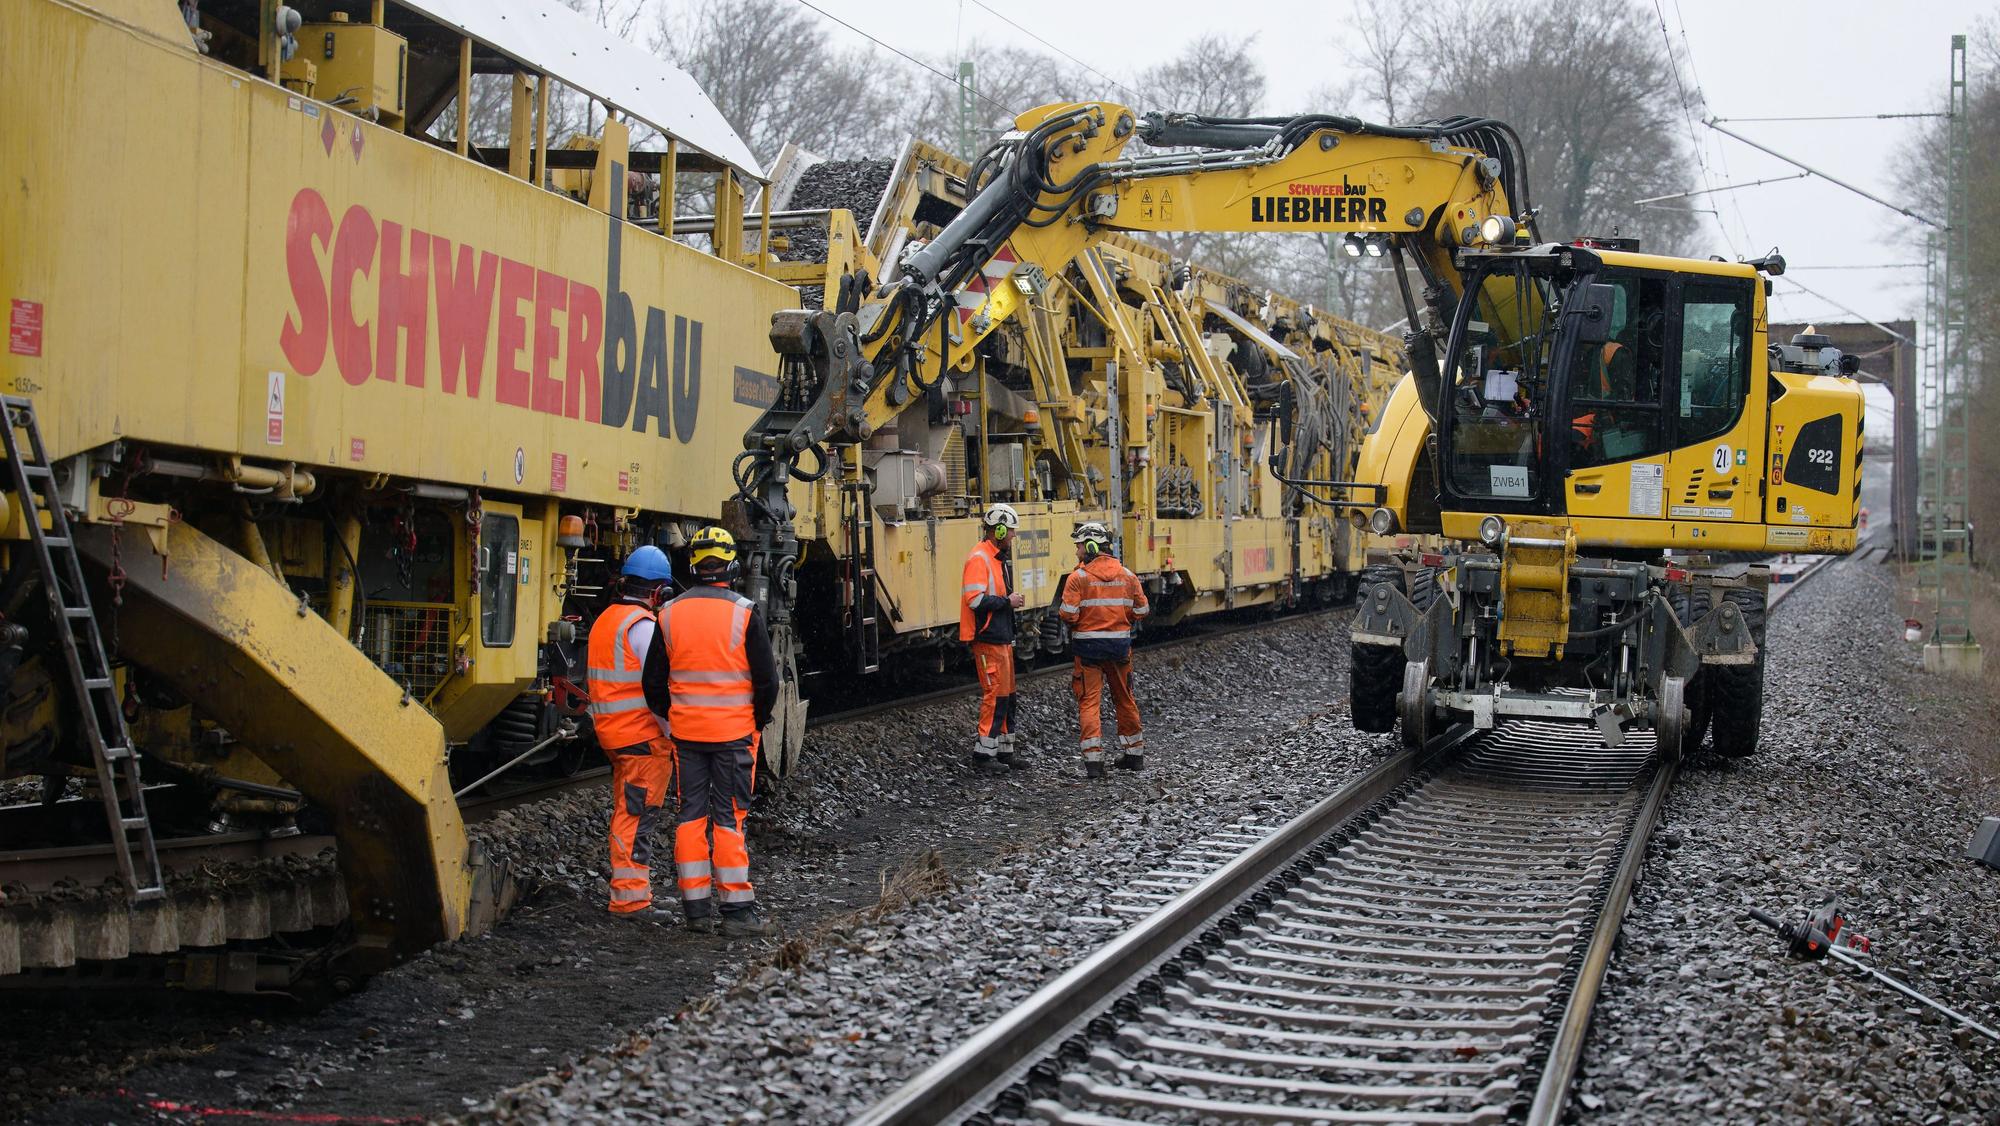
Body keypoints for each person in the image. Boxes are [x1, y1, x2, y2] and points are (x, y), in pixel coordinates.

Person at [647, 526, 779, 937]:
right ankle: (738, 913)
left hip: (686, 737)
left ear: (694, 564)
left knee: (689, 817)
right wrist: (754, 720)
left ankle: (697, 912)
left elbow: (653, 683)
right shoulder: (743, 612)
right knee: (728, 819)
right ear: (732, 566)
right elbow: (768, 682)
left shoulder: (668, 614)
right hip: (734, 736)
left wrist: (676, 716)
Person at [585, 545, 677, 919]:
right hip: (643, 739)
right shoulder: (644, 628)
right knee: (637, 819)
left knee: (632, 814)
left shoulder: (606, 620)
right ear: (659, 593)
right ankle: (630, 899)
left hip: (615, 735)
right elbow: (657, 689)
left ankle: (638, 892)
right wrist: (674, 733)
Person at [1057, 521, 1149, 778]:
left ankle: (1094, 764)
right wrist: (1121, 616)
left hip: (1088, 652)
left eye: (1078, 546)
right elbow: (1142, 611)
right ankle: (1134, 756)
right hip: (1119, 648)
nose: (1077, 552)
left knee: (1089, 704)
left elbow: (1068, 614)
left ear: (1090, 546)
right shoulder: (1128, 576)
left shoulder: (1078, 578)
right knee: (1125, 699)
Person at [961, 503, 1025, 773]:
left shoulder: (996, 557)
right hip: (988, 637)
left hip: (1000, 637)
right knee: (994, 695)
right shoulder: (980, 558)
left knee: (1007, 695)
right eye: (1010, 531)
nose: (1012, 536)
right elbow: (974, 600)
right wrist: (1007, 602)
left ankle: (1004, 751)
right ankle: (983, 756)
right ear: (998, 530)